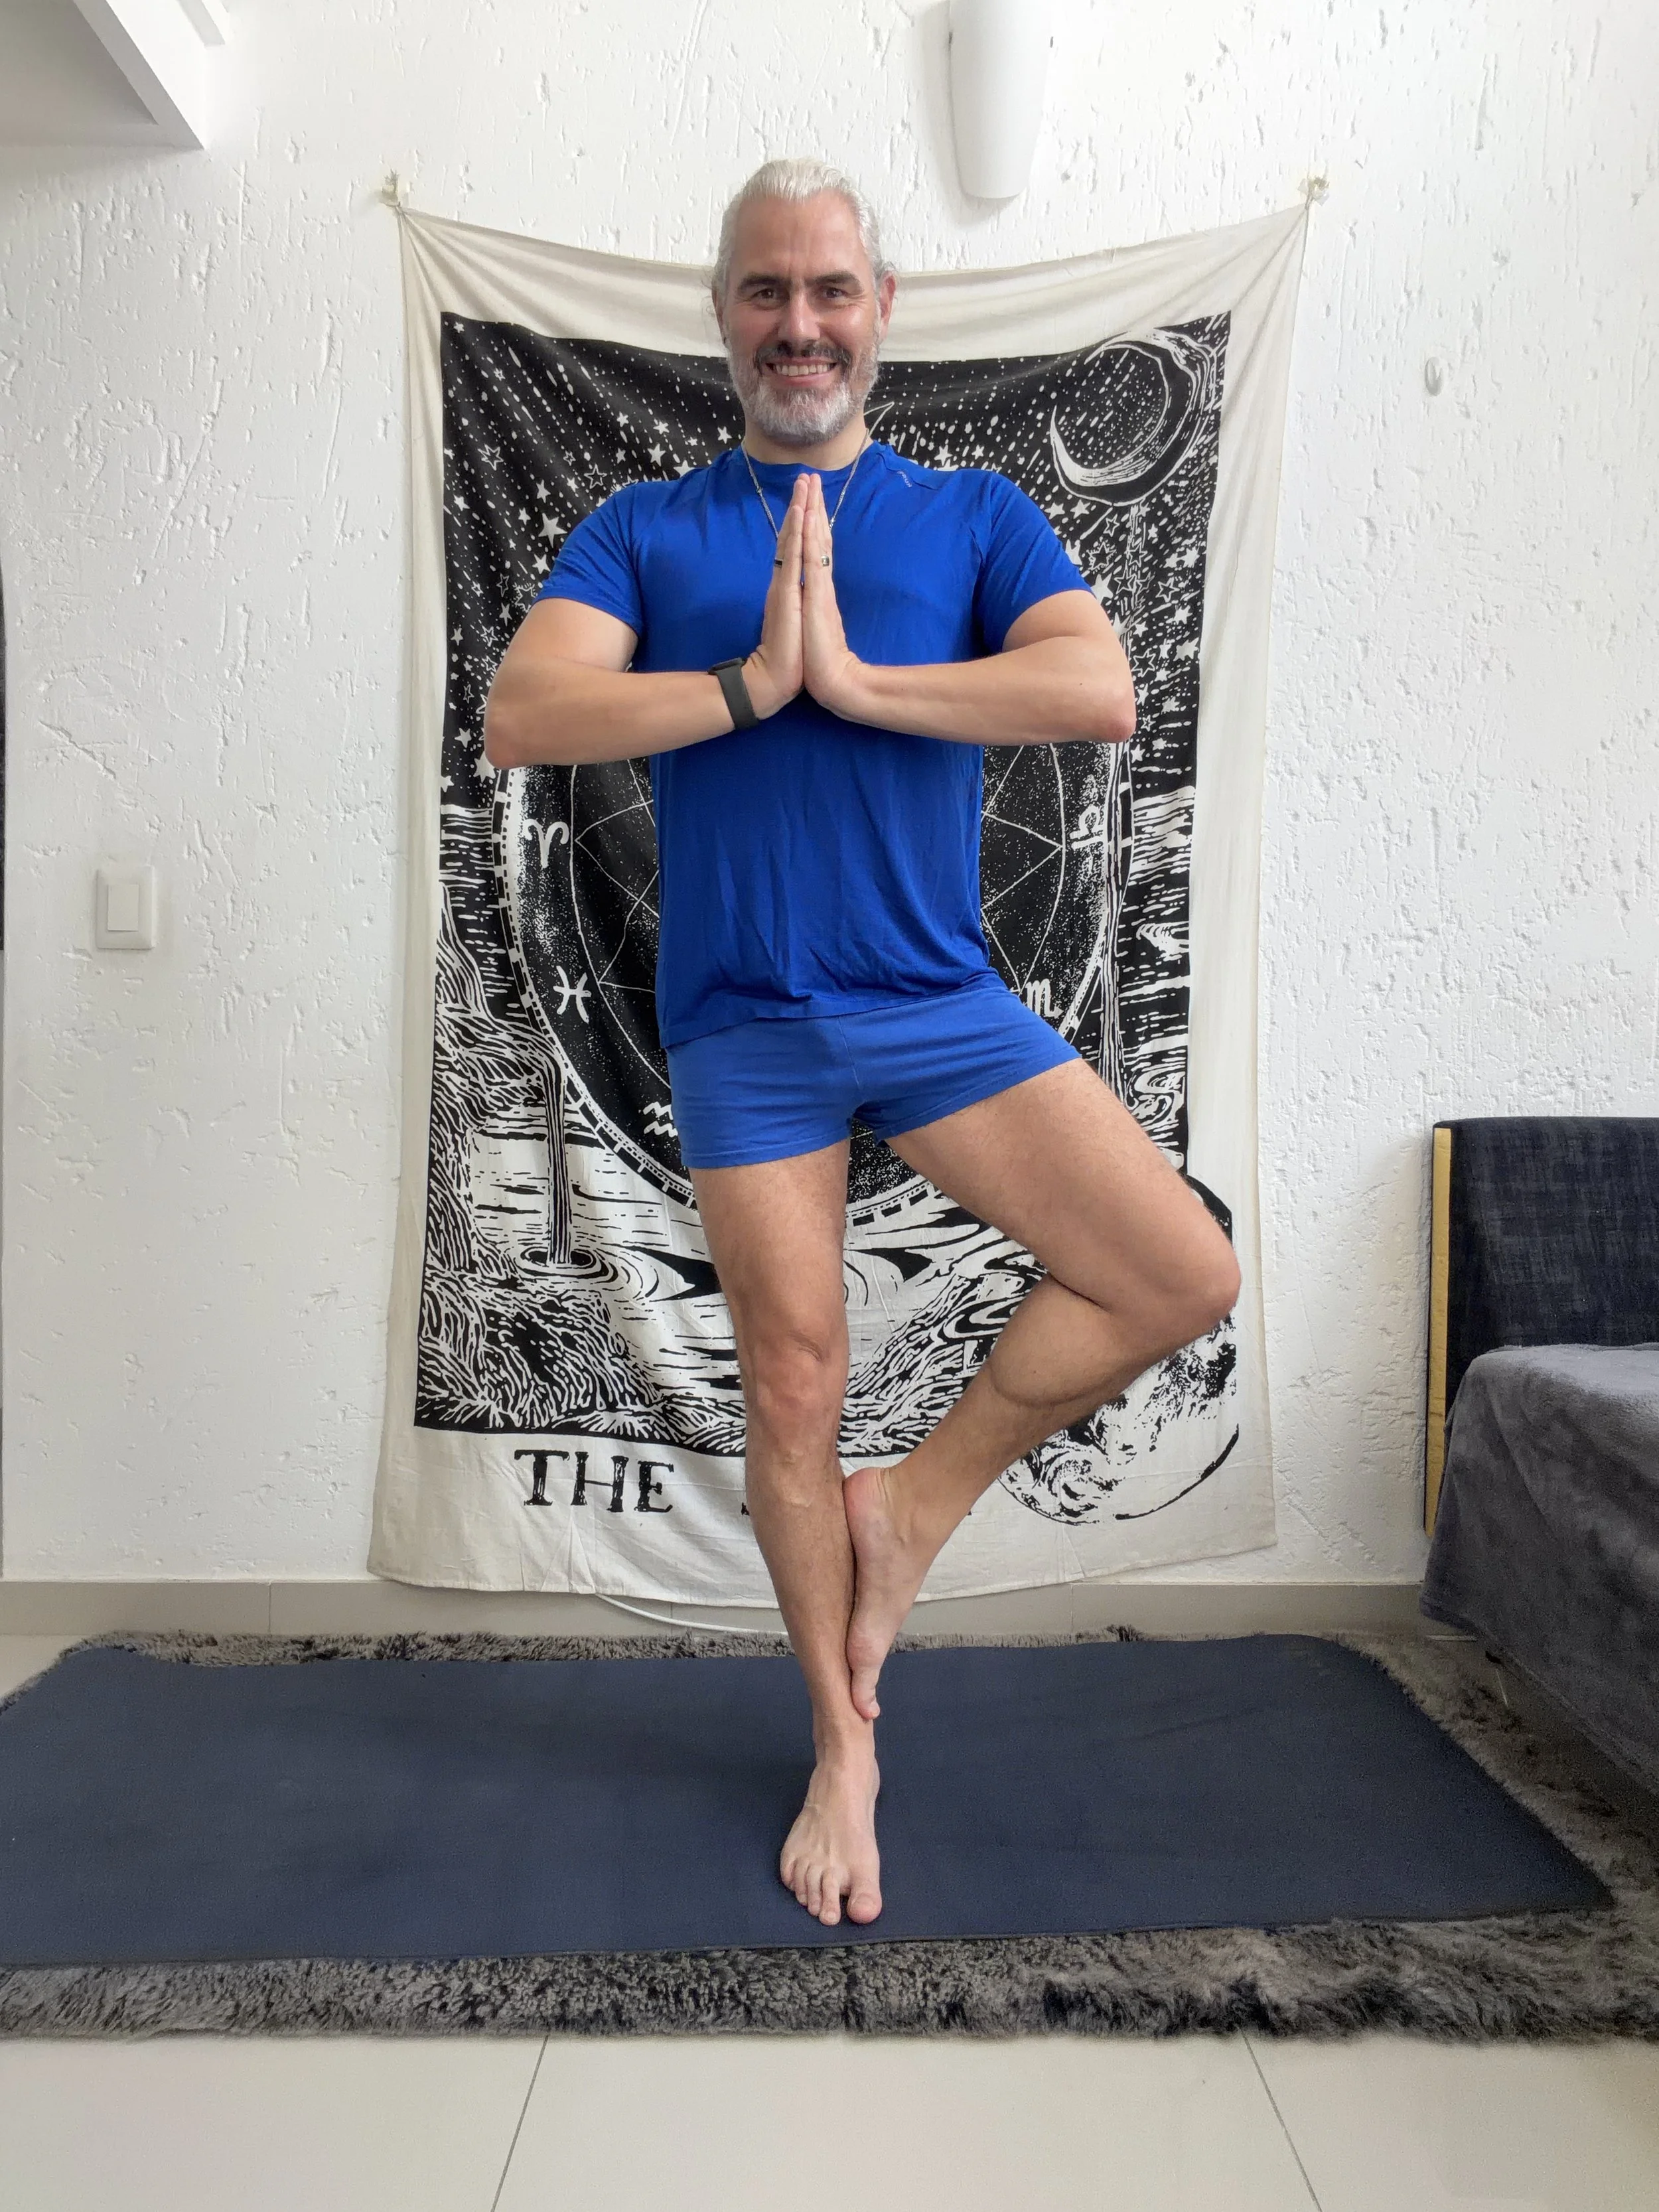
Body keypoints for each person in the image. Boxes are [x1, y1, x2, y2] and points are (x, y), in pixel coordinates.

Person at [484, 158, 1240, 1931]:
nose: (798, 323)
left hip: (935, 1005)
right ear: (726, 316)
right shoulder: (648, 530)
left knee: (1171, 1269)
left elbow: (1094, 686)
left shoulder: (970, 516)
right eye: (765, 291)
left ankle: (907, 1516)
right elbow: (527, 711)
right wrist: (746, 682)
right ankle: (841, 1740)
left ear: (880, 309)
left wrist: (863, 684)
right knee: (794, 1385)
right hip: (744, 1030)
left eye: (829, 288)